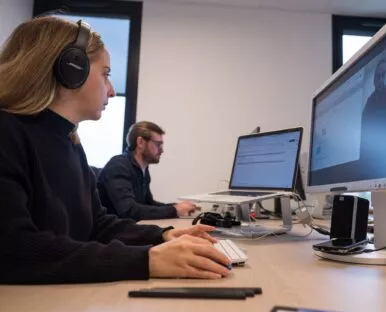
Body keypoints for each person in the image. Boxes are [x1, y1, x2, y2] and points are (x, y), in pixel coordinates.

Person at [0, 16, 230, 284]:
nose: (111, 90)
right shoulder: (7, 133)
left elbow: (97, 225)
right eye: (106, 74)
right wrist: (147, 259)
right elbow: (12, 248)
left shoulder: (70, 143)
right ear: (71, 69)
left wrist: (162, 236)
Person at [97, 121, 197, 221]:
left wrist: (177, 206)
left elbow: (147, 204)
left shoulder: (143, 169)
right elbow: (128, 210)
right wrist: (174, 210)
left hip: (128, 228)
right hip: (111, 233)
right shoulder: (118, 165)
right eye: (158, 145)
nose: (162, 150)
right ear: (140, 142)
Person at [359, 58, 386, 179]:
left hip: (385, 161)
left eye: (383, 75)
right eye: (377, 75)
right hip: (371, 160)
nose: (380, 79)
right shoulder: (370, 100)